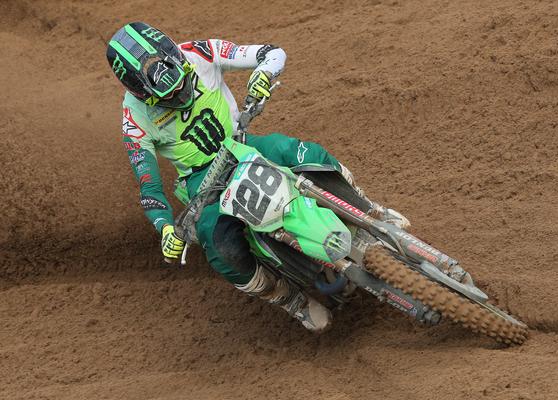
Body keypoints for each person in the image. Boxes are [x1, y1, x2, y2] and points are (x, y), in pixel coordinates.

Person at [106, 22, 409, 333]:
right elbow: (149, 188)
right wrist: (165, 228)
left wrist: (263, 74)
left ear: (176, 59)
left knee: (305, 153)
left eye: (181, 83)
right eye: (167, 96)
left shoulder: (199, 52)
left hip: (241, 144)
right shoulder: (134, 119)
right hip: (202, 182)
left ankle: (369, 210)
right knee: (219, 246)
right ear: (142, 93)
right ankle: (288, 298)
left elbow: (271, 53)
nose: (179, 94)